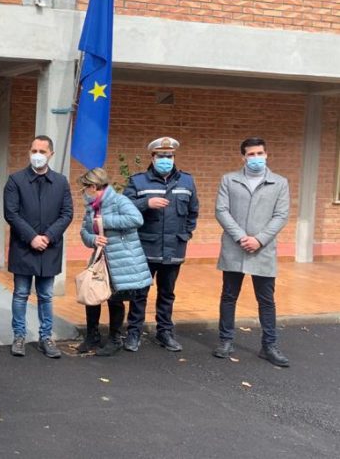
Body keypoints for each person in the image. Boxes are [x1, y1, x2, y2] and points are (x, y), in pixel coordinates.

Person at [213, 137, 290, 367]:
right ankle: (225, 341)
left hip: (262, 250)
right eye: (251, 154)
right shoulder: (229, 180)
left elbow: (281, 215)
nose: (256, 158)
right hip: (234, 248)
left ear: (267, 154)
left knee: (266, 300)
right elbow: (221, 210)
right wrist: (240, 236)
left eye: (260, 153)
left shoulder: (279, 183)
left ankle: (269, 346)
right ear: (243, 157)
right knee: (229, 296)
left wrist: (259, 239)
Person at [121, 137, 199, 353]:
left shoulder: (187, 181)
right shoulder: (138, 182)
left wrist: (186, 233)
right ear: (152, 157)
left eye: (170, 156)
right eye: (161, 156)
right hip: (146, 248)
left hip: (174, 247)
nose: (166, 159)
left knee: (167, 293)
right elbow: (123, 208)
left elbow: (193, 211)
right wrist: (146, 203)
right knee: (139, 293)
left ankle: (164, 332)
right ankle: (134, 333)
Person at [3, 135, 73, 358]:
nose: (37, 155)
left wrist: (48, 236)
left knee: (46, 295)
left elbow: (67, 213)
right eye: (34, 151)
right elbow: (11, 214)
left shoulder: (61, 182)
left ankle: (46, 337)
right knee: (21, 293)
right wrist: (32, 237)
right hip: (24, 247)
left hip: (49, 249)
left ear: (51, 154)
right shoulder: (15, 180)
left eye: (42, 151)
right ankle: (19, 336)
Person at [77, 168, 152, 356]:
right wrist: (93, 239)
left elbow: (136, 219)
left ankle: (114, 339)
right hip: (100, 258)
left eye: (85, 187)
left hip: (121, 259)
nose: (83, 191)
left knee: (115, 299)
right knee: (92, 295)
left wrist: (104, 222)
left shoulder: (120, 201)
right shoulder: (91, 205)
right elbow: (85, 231)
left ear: (94, 186)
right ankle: (92, 336)